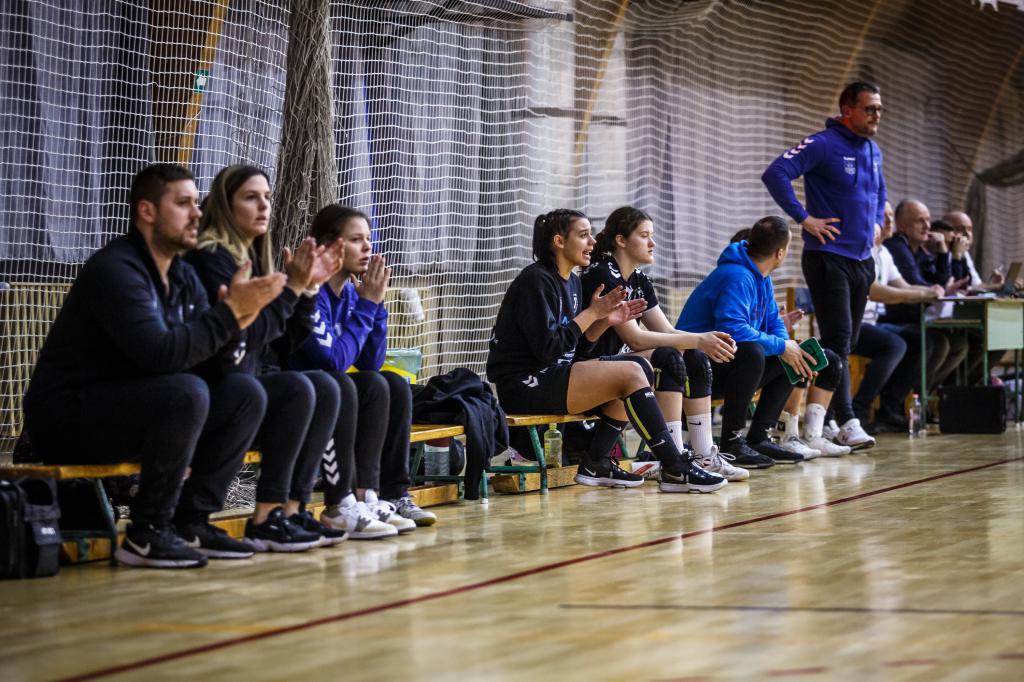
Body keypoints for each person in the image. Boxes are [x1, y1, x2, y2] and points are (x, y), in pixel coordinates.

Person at [24, 163, 279, 569]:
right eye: (183, 204)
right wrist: (231, 315)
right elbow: (160, 356)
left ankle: (191, 521)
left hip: (135, 409)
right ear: (147, 211)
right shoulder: (116, 270)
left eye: (197, 203)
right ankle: (147, 532)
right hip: (67, 419)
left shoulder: (182, 275)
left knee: (244, 393)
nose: (197, 213)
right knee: (186, 392)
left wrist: (246, 320)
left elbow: (212, 361)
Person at [487, 208, 727, 493]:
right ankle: (675, 466)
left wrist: (605, 322)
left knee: (642, 368)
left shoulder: (572, 282)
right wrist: (592, 313)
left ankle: (596, 462)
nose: (592, 242)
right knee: (631, 372)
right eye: (583, 235)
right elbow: (548, 350)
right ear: (559, 241)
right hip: (524, 384)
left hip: (554, 376)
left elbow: (579, 351)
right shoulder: (536, 280)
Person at [187, 164, 349, 552]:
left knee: (325, 386)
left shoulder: (255, 259)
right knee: (296, 388)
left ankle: (286, 512)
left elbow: (281, 343)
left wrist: (306, 291)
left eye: (267, 197)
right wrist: (293, 289)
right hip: (214, 388)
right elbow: (244, 336)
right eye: (250, 197)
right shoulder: (212, 258)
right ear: (225, 206)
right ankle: (250, 517)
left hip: (244, 382)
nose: (264, 206)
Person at [289, 204, 437, 536]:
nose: (368, 247)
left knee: (392, 383)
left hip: (331, 388)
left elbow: (371, 362)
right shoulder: (312, 292)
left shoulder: (351, 294)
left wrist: (376, 304)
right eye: (357, 239)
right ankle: (342, 503)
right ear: (330, 246)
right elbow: (334, 361)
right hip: (304, 393)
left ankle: (384, 495)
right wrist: (368, 305)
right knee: (352, 384)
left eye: (369, 239)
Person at [579, 206, 747, 481]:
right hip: (590, 367)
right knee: (668, 357)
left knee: (694, 358)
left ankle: (704, 456)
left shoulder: (639, 279)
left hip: (622, 364)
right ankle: (674, 458)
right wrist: (698, 339)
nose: (653, 243)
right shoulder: (603, 274)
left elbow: (666, 330)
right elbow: (634, 338)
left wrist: (705, 341)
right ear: (621, 240)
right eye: (645, 235)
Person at [761, 81, 886, 450]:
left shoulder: (873, 149)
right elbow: (775, 173)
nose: (877, 115)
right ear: (848, 110)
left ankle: (828, 420)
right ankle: (845, 420)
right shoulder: (823, 144)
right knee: (839, 340)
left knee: (848, 341)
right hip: (828, 258)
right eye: (870, 108)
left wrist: (878, 221)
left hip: (862, 260)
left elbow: (880, 191)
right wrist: (804, 218)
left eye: (879, 109)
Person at [677, 216, 843, 467]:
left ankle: (759, 438)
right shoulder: (737, 276)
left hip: (721, 363)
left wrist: (787, 347)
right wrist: (782, 346)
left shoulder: (761, 277)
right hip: (692, 369)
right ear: (780, 253)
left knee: (794, 356)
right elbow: (733, 331)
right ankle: (732, 442)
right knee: (753, 352)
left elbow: (774, 321)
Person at [880, 199, 969, 394]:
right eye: (920, 221)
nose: (927, 226)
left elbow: (940, 283)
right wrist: (940, 286)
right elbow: (921, 285)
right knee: (935, 343)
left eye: (928, 220)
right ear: (903, 226)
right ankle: (905, 399)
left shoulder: (919, 251)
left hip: (916, 318)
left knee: (959, 344)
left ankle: (925, 396)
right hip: (893, 319)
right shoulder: (896, 247)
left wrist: (944, 252)